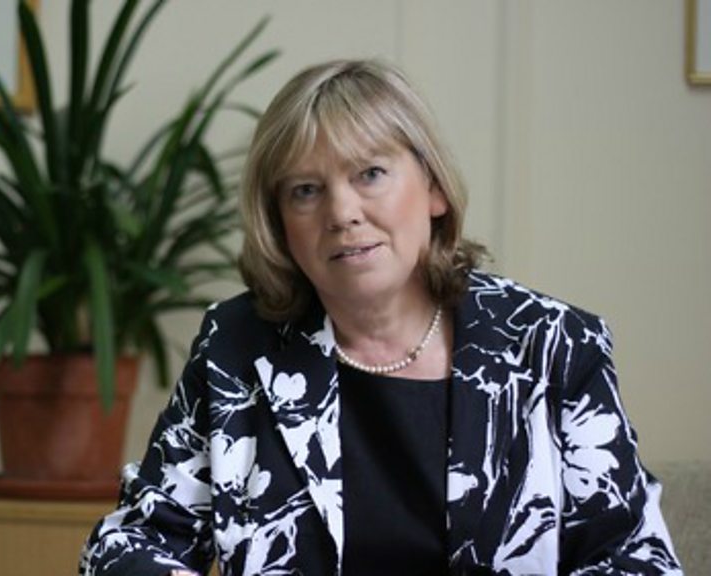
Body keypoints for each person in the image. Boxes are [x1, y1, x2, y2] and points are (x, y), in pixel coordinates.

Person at [79, 59, 682, 575]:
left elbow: (635, 559)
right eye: (306, 190)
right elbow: (129, 544)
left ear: (434, 189)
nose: (342, 212)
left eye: (369, 174)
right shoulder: (237, 347)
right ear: (280, 223)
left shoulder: (552, 345)